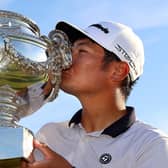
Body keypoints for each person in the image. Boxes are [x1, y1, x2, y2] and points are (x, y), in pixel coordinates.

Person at [22, 21, 168, 168]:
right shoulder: (50, 134)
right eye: (71, 50)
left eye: (82, 51)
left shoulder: (151, 143)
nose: (66, 60)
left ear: (118, 71)